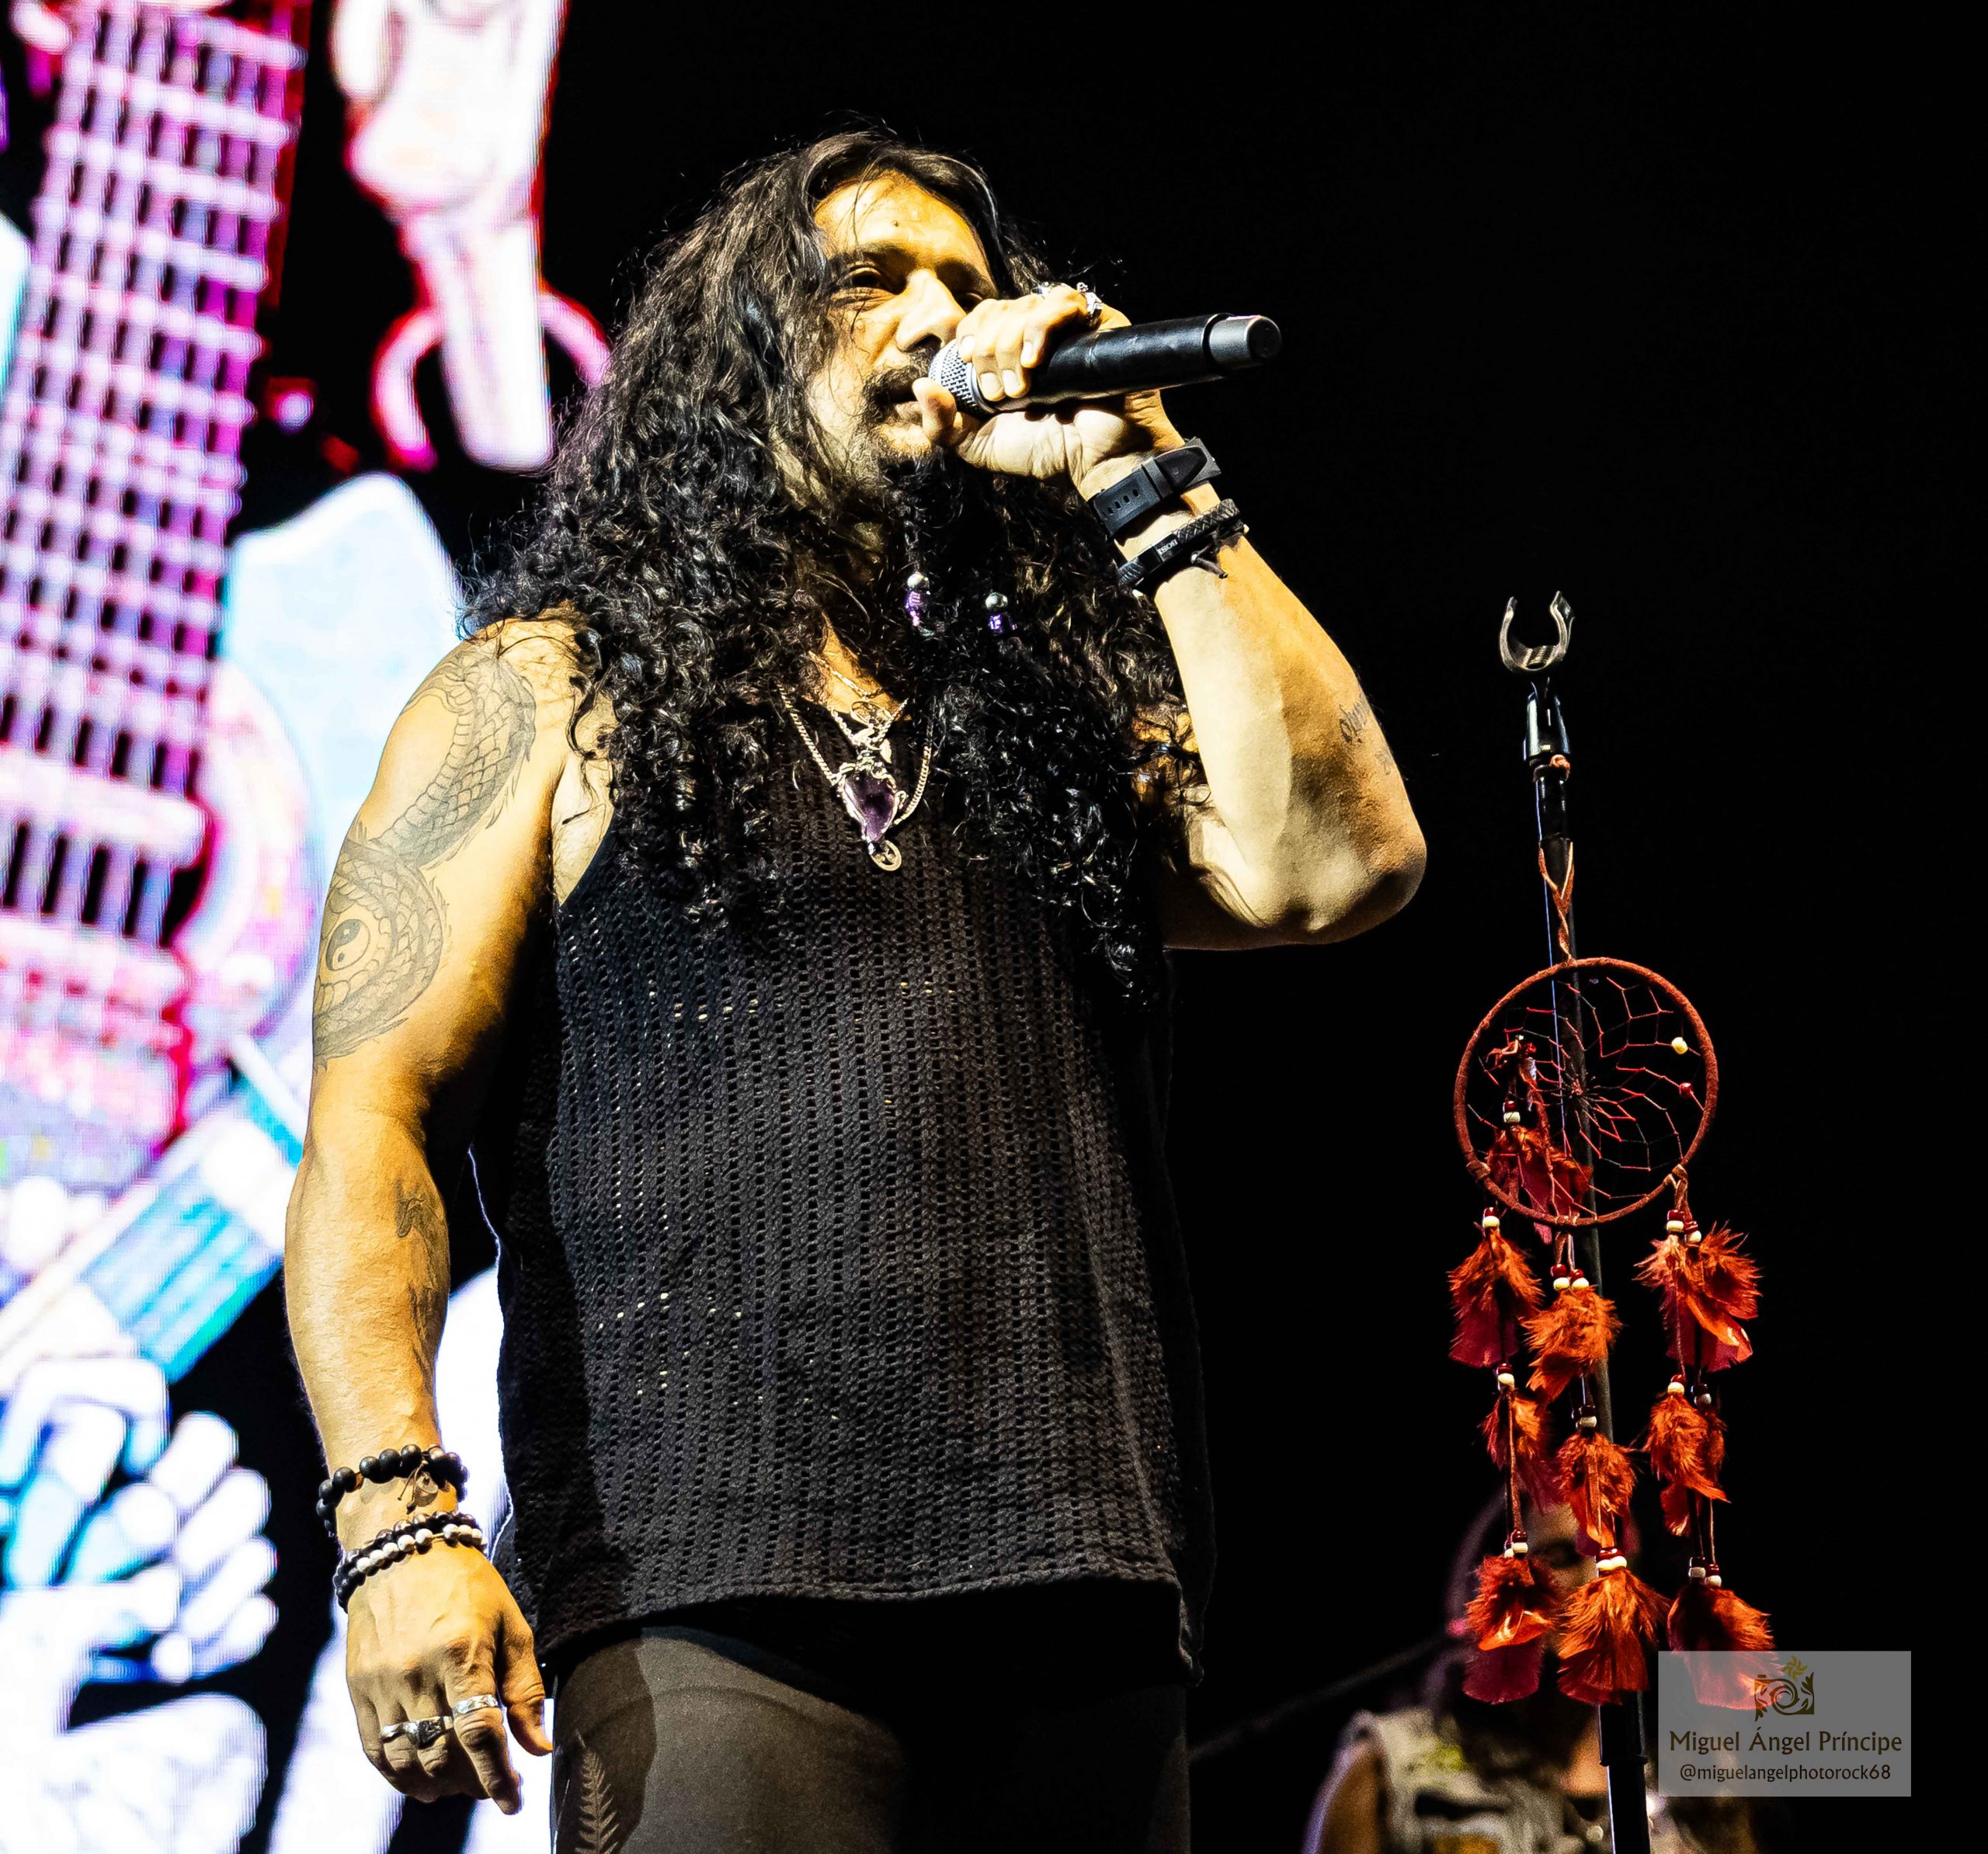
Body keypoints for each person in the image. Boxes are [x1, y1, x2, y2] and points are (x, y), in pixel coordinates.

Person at [283, 128, 1426, 1853]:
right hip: (705, 1584)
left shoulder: (1058, 716)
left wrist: (1146, 471)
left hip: (1082, 1577)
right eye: (868, 282)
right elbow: (376, 1121)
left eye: (968, 283)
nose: (940, 316)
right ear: (735, 355)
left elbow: (1342, 866)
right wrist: (397, 1521)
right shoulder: (542, 694)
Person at [1303, 1502, 1758, 1854]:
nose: (1594, 1582)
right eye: (1560, 1557)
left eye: (1612, 1561)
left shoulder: (1707, 1779)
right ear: (1492, 1593)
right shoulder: (1392, 1768)